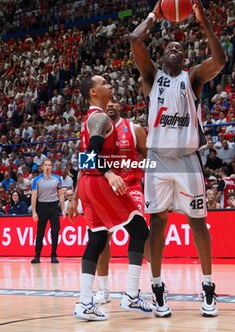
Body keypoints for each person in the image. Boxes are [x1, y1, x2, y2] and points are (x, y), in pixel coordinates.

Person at [130, 0, 226, 318]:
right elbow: (134, 40)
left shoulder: (193, 77)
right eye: (169, 47)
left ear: (184, 58)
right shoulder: (151, 76)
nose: (174, 49)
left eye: (179, 48)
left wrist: (203, 22)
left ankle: (209, 288)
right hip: (156, 160)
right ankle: (157, 288)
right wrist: (155, 15)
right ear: (163, 55)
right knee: (157, 224)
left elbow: (220, 60)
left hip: (187, 160)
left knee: (198, 224)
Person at [68, 75, 153, 321]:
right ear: (93, 92)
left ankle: (85, 303)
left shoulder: (89, 119)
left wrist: (77, 194)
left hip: (86, 183)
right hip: (98, 182)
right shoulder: (101, 117)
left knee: (96, 239)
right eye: (104, 83)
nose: (109, 86)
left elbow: (85, 158)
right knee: (140, 230)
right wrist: (109, 173)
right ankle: (131, 295)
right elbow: (93, 153)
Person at [93, 97, 150, 305]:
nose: (109, 104)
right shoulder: (97, 129)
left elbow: (149, 159)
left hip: (132, 186)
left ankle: (154, 282)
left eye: (114, 101)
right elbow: (88, 159)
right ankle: (103, 289)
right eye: (107, 101)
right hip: (106, 187)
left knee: (142, 234)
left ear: (120, 106)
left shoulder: (134, 129)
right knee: (102, 237)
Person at [31, 158, 66, 264]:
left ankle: (54, 255)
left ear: (51, 167)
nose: (47, 167)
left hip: (54, 206)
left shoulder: (57, 179)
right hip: (42, 206)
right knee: (40, 232)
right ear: (42, 167)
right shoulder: (36, 180)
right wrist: (34, 211)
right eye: (46, 165)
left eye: (49, 165)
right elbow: (33, 196)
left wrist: (63, 210)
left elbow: (61, 195)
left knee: (55, 231)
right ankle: (37, 256)